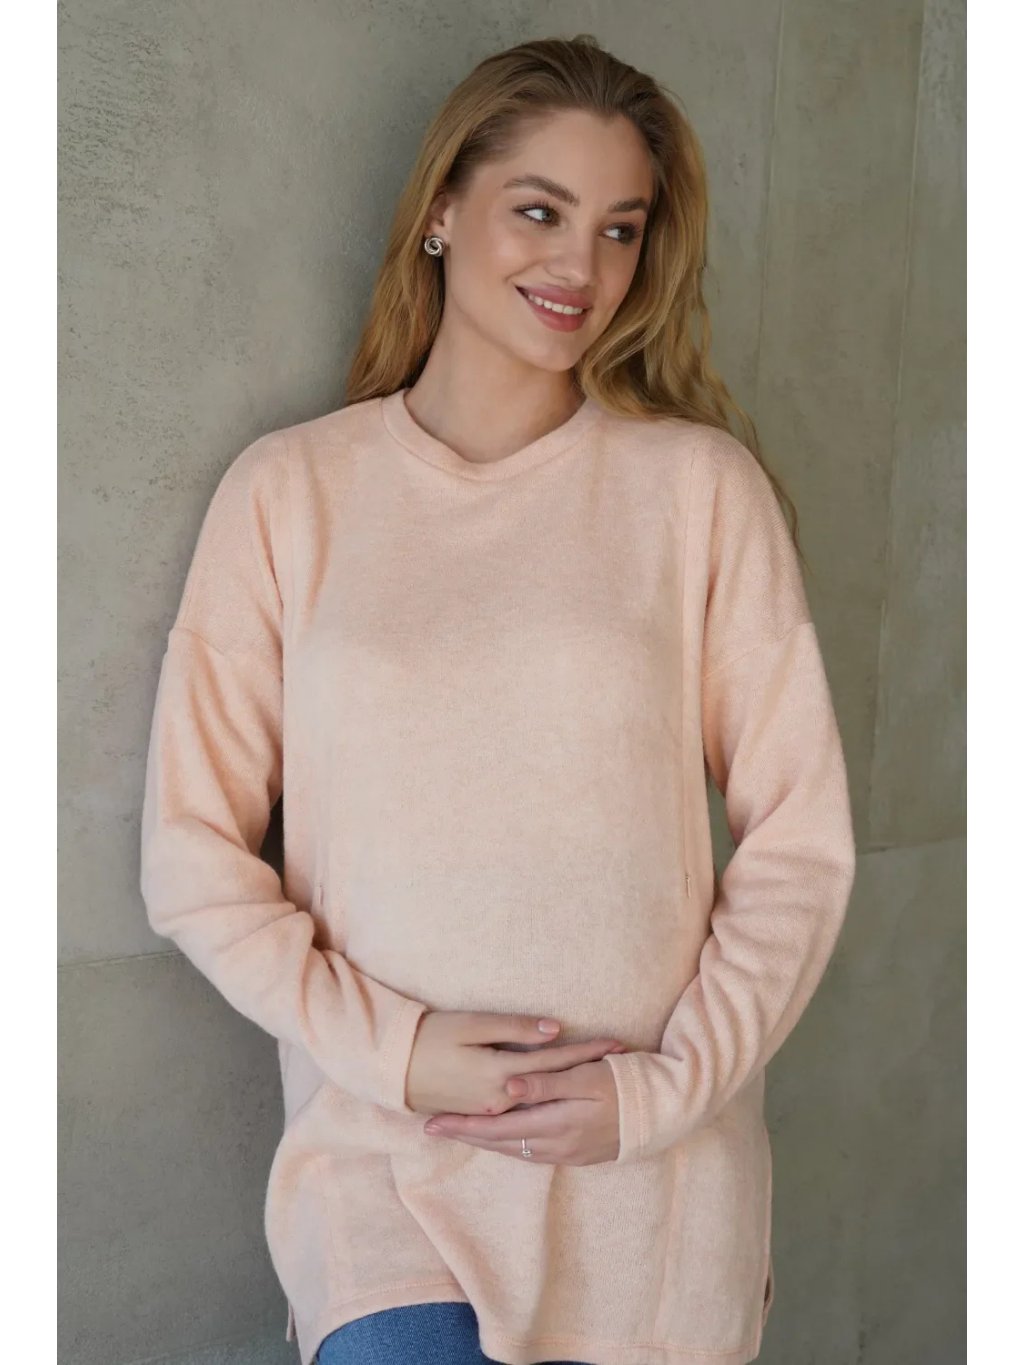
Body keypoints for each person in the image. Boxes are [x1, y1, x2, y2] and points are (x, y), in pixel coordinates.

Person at [139, 33, 857, 1365]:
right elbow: (190, 859)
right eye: (539, 210)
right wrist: (399, 1052)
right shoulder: (291, 495)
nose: (580, 265)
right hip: (386, 1172)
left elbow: (801, 849)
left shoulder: (698, 492)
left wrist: (660, 1094)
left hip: (651, 1192)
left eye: (619, 229)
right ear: (442, 212)